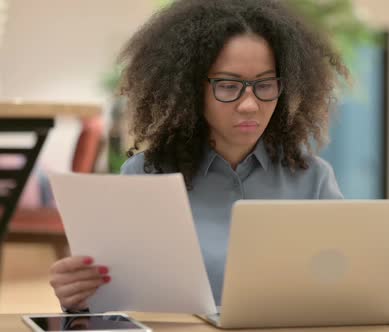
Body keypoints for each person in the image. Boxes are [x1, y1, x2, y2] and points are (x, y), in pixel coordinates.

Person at [48, 0, 348, 312]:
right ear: (191, 90)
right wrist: (79, 297)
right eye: (229, 86)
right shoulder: (145, 176)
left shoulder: (314, 179)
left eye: (265, 84)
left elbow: (343, 282)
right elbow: (115, 304)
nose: (249, 104)